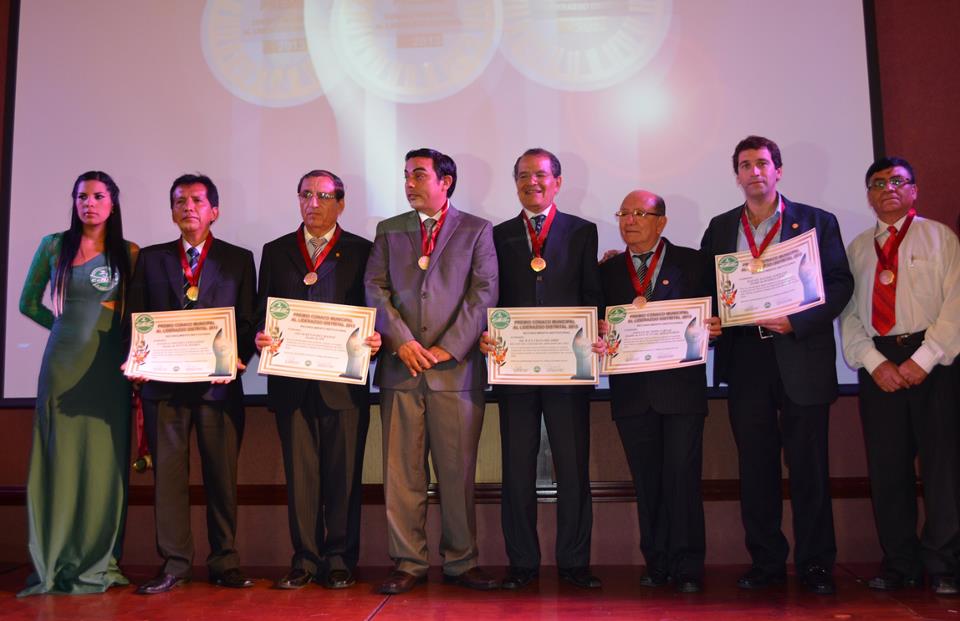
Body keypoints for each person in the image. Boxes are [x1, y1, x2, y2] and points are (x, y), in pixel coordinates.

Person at [699, 136, 853, 594]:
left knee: (809, 467)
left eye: (763, 163)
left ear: (778, 171)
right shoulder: (720, 227)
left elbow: (840, 284)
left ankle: (816, 564)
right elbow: (707, 288)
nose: (755, 172)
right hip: (746, 358)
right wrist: (709, 319)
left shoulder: (817, 222)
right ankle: (766, 562)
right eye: (745, 165)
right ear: (737, 175)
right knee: (756, 467)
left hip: (800, 353)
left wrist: (797, 321)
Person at [364, 148, 499, 594]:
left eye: (419, 175)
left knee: (457, 473)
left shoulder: (476, 229)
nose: (409, 183)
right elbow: (375, 288)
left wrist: (446, 349)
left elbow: (483, 293)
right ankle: (408, 562)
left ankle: (461, 561)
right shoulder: (389, 230)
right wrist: (402, 342)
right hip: (401, 370)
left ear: (446, 181)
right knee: (402, 475)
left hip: (455, 373)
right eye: (406, 175)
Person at [126, 173, 257, 594]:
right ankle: (175, 563)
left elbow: (248, 320)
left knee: (222, 479)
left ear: (214, 211)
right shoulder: (150, 259)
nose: (188, 207)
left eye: (198, 201)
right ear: (171, 212)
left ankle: (225, 561)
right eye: (180, 201)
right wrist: (137, 360)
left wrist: (238, 359)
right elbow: (137, 319)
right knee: (168, 481)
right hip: (163, 390)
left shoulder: (238, 259)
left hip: (219, 388)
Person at [479, 148, 603, 590]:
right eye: (523, 175)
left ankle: (574, 563)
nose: (532, 182)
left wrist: (598, 330)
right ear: (515, 183)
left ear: (558, 182)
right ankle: (522, 564)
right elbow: (488, 298)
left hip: (569, 371)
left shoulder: (582, 231)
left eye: (541, 175)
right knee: (516, 471)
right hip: (514, 372)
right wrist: (484, 333)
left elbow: (592, 294)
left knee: (573, 469)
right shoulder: (497, 235)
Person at [254, 170, 380, 590]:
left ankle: (340, 559)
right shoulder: (275, 251)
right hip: (291, 385)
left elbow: (375, 310)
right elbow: (261, 312)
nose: (313, 203)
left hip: (343, 385)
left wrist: (377, 338)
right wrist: (260, 336)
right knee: (301, 478)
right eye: (306, 194)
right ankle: (305, 560)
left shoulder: (363, 250)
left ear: (340, 204)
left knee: (344, 478)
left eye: (323, 196)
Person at [840, 157, 960, 595]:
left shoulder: (940, 238)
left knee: (943, 468)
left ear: (913, 191)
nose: (887, 188)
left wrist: (923, 359)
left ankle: (944, 564)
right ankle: (900, 564)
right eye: (878, 183)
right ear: (869, 196)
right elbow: (849, 316)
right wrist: (875, 363)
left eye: (897, 181)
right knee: (887, 470)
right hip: (881, 363)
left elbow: (956, 305)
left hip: (935, 361)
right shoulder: (856, 249)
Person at [18, 171, 137, 596]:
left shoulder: (129, 252)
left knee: (104, 460)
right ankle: (55, 557)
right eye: (82, 196)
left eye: (98, 196)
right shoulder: (53, 245)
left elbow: (136, 315)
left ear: (112, 203)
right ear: (74, 202)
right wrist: (63, 328)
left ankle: (96, 559)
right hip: (62, 365)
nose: (89, 203)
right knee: (61, 458)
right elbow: (28, 303)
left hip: (109, 369)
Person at [598, 190, 721, 593]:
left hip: (681, 393)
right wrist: (598, 333)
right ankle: (657, 562)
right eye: (624, 213)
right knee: (647, 481)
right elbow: (595, 322)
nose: (630, 220)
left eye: (640, 213)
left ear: (661, 222)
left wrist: (717, 327)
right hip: (632, 394)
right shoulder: (607, 271)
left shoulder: (695, 262)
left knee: (682, 479)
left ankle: (688, 566)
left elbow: (719, 314)